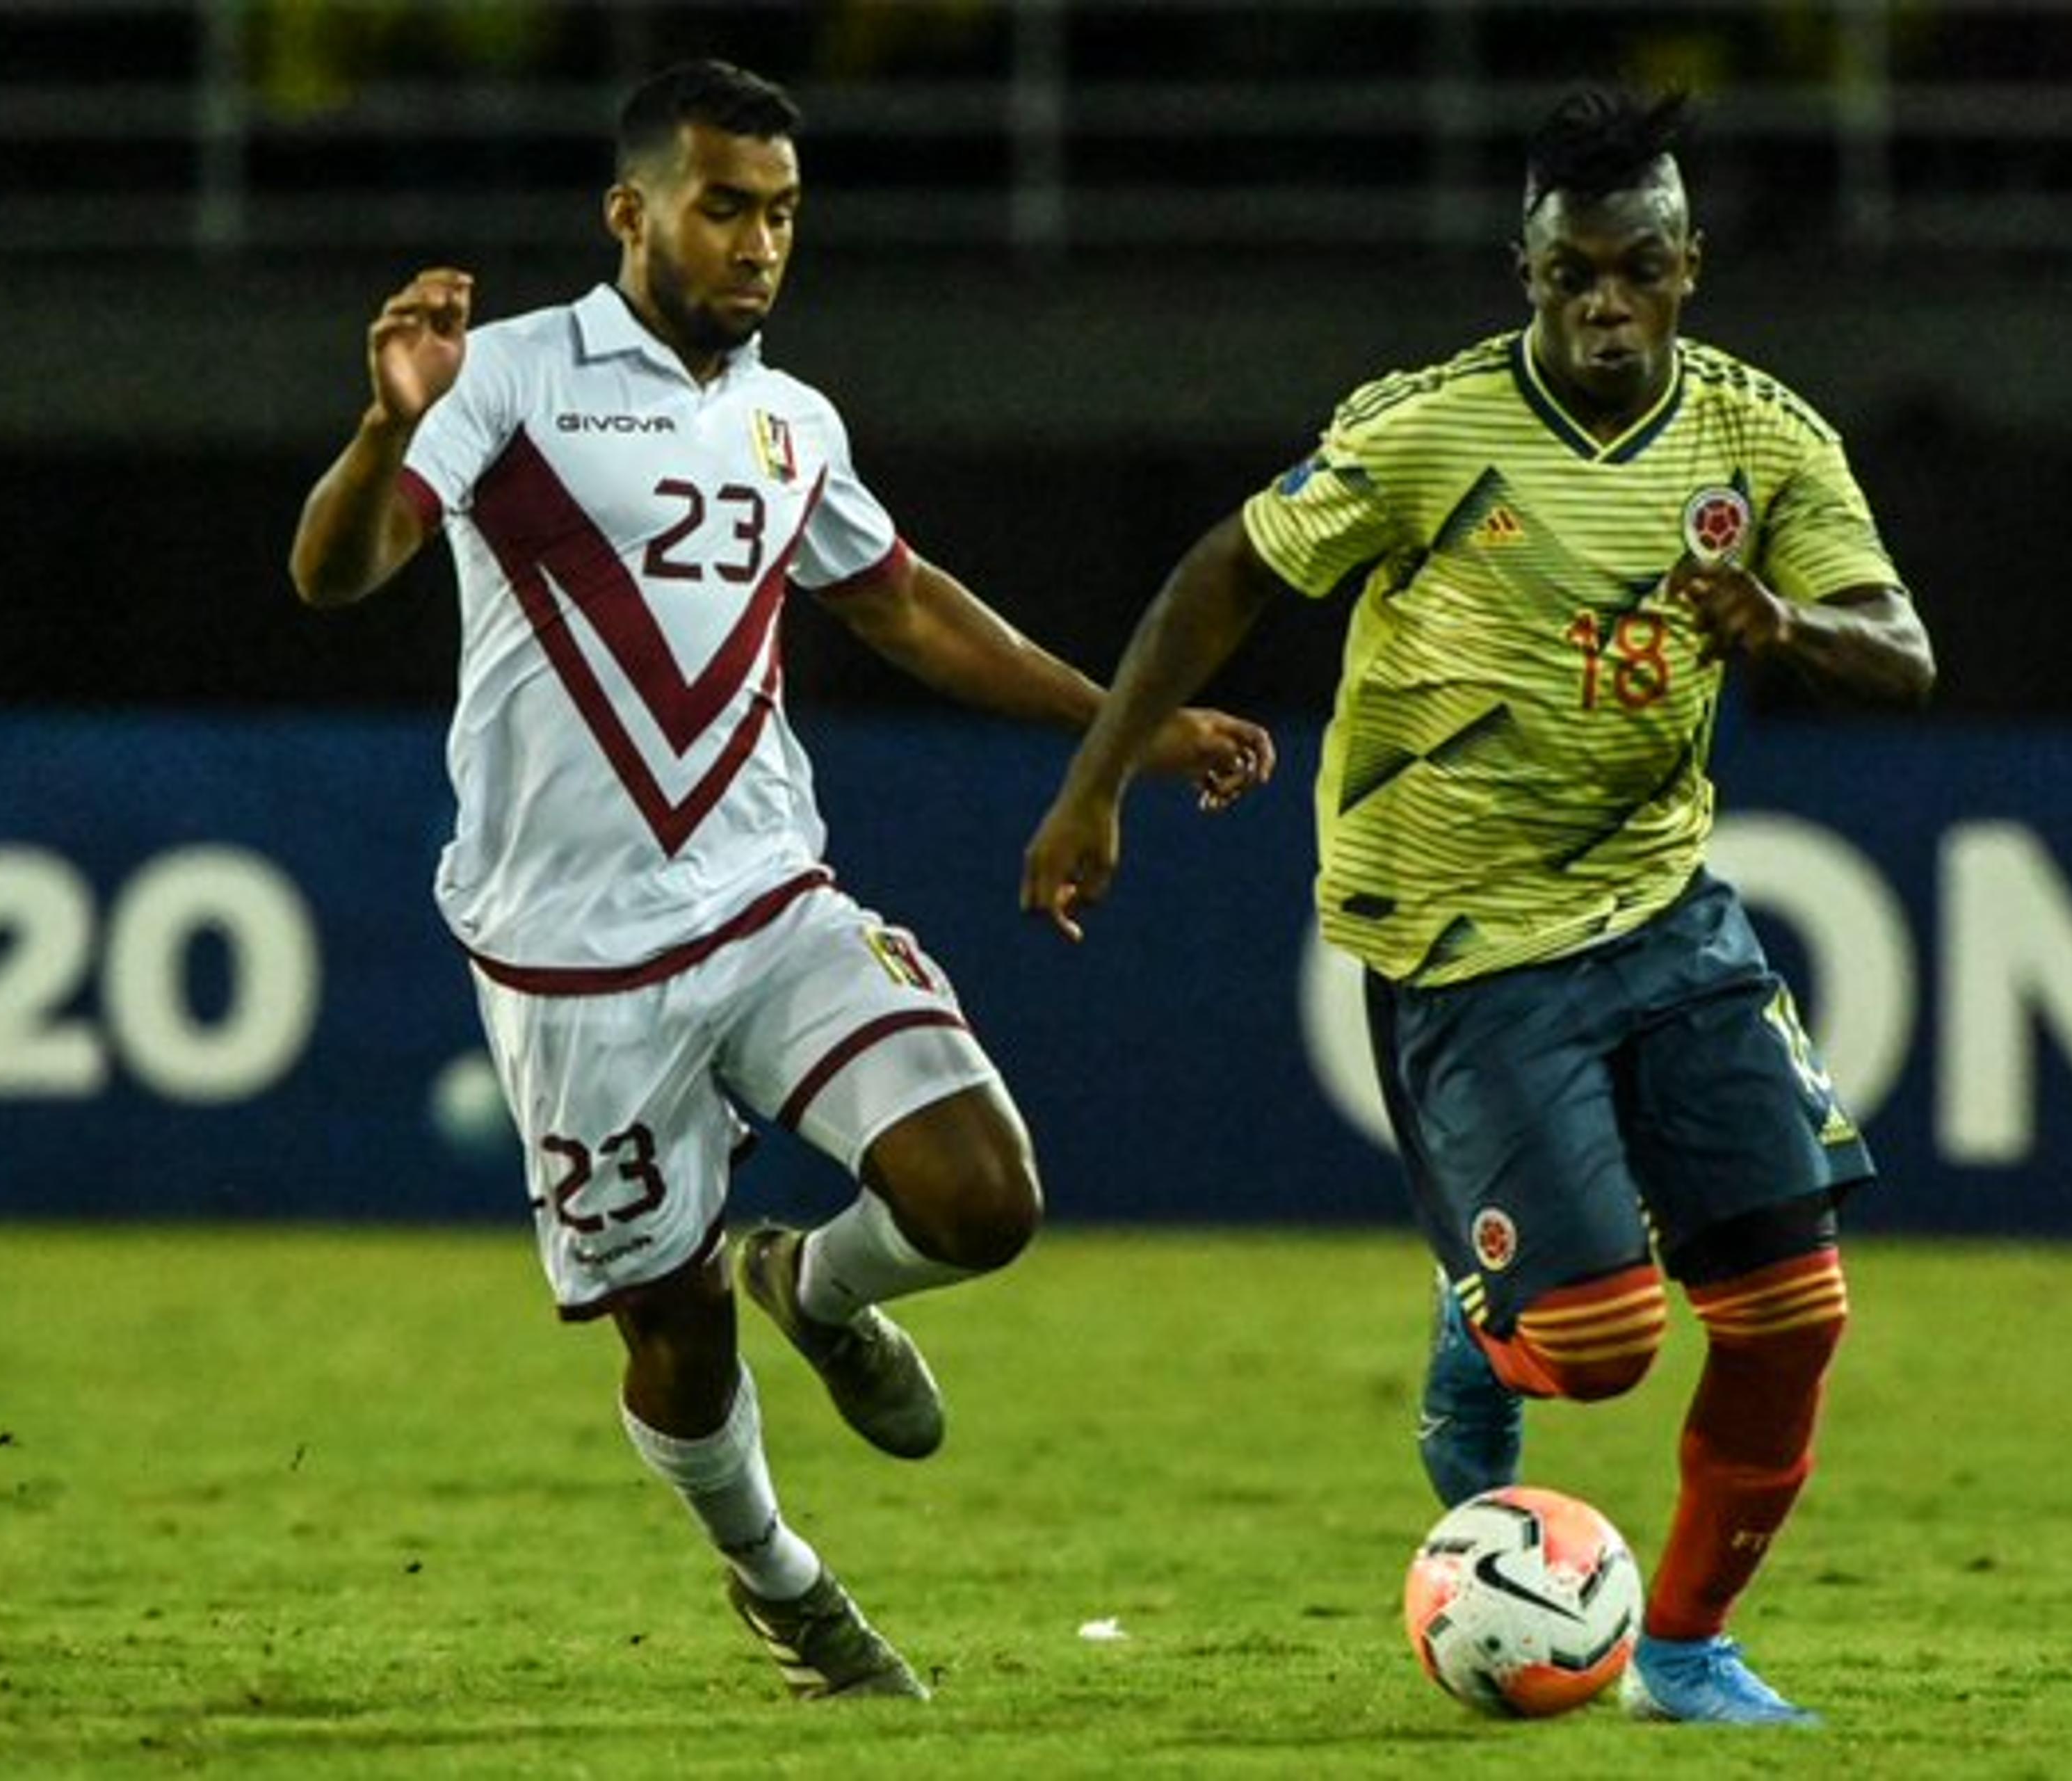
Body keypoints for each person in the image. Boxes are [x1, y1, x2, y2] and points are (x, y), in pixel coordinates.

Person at [286, 58, 1273, 1701]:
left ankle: (817, 1282)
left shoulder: (789, 417)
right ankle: (784, 1582)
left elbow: (906, 605)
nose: (759, 244)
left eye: (784, 214)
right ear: (634, 212)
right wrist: (388, 419)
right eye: (726, 206)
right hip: (571, 959)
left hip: (767, 902)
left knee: (982, 1197)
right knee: (671, 1335)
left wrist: (1130, 726)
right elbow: (338, 570)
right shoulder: (503, 377)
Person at [1023, 86, 1932, 1727]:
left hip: (1665, 910)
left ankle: (1684, 1649)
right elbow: (1230, 565)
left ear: (1689, 268)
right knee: (1595, 1349)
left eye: (1636, 270)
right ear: (1526, 270)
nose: (1603, 304)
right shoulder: (1429, 431)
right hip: (1465, 937)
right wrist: (1097, 781)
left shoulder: (1765, 439)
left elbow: (1906, 650)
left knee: (1793, 1313)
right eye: (1571, 273)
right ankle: (1483, 1308)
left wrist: (1788, 622)